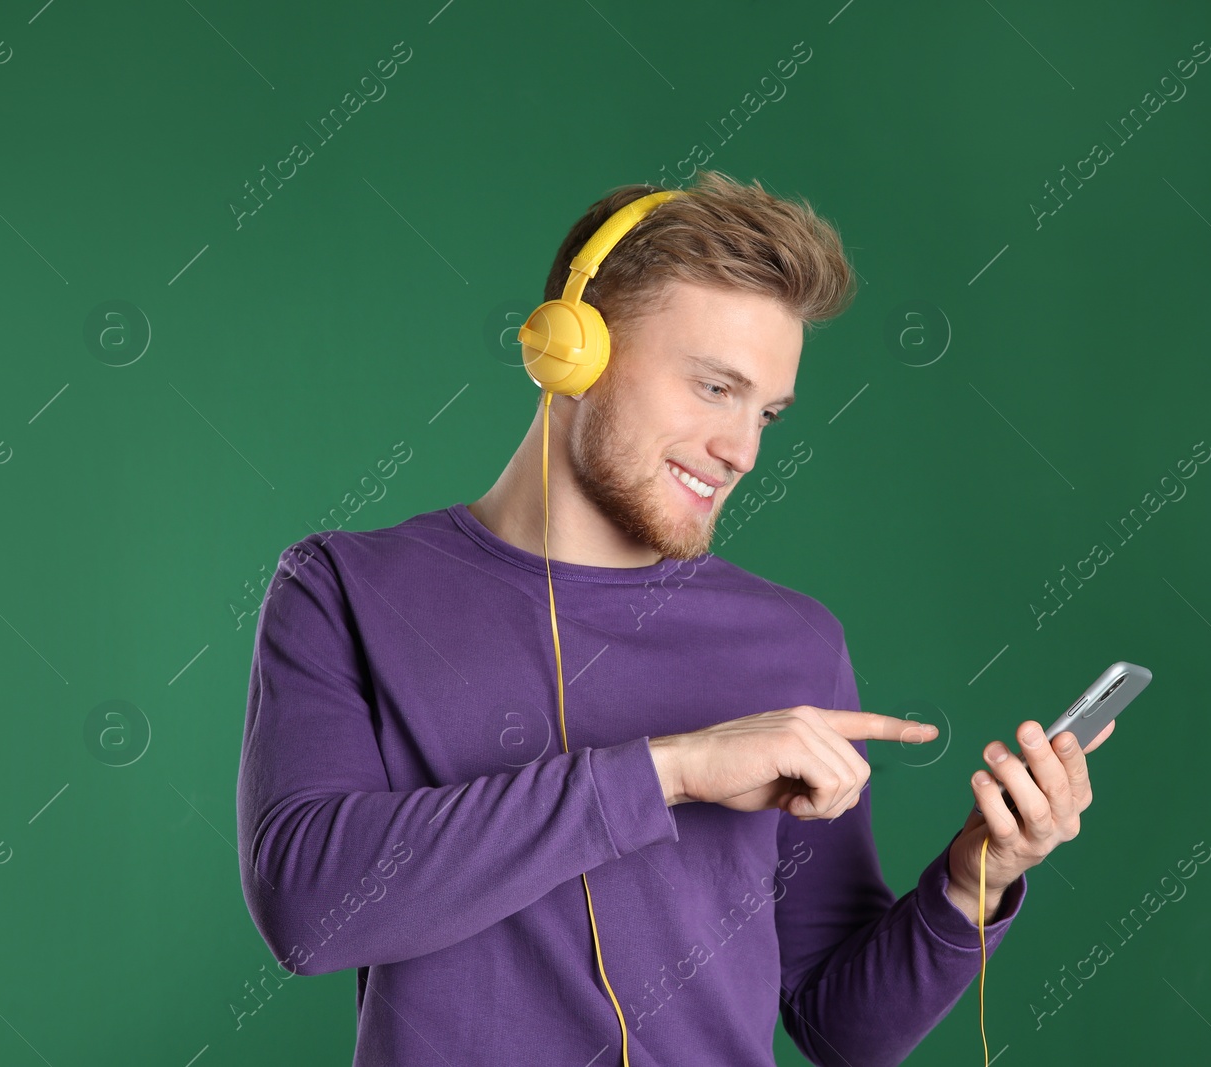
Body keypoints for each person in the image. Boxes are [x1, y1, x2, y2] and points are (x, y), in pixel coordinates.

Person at [235, 170, 1112, 1067]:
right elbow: (309, 910)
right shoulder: (347, 588)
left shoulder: (794, 645)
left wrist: (974, 881)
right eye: (713, 388)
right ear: (572, 352)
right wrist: (676, 770)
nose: (742, 450)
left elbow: (842, 1027)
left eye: (767, 412)